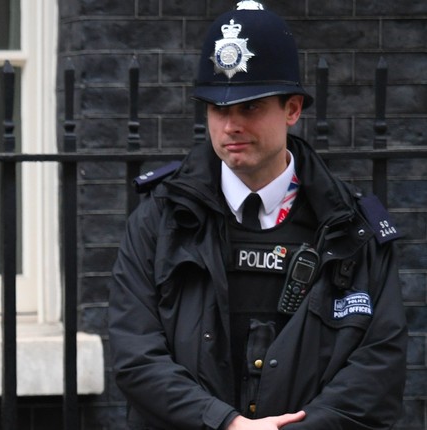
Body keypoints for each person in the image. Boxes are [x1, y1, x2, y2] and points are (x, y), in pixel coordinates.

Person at [109, 2, 407, 429]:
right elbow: (135, 357)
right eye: (218, 108)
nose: (231, 125)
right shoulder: (158, 221)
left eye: (249, 107)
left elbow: (379, 370)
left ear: (292, 109)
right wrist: (225, 424)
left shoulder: (352, 228)